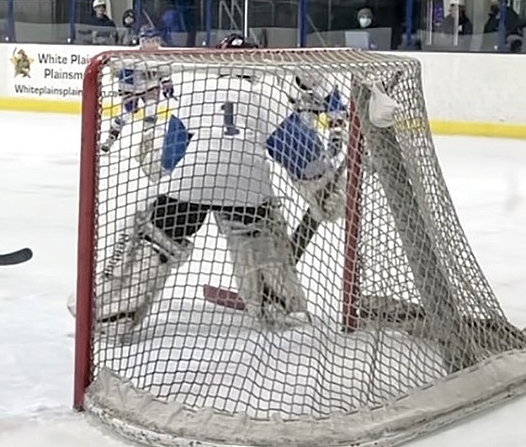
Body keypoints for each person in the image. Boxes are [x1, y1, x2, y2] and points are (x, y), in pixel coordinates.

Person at [74, 32, 347, 335]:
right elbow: (302, 154)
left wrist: (158, 165)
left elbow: (170, 159)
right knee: (262, 237)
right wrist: (327, 190)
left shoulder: (196, 90)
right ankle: (278, 309)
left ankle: (112, 312)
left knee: (153, 237)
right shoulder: (267, 96)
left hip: (192, 179)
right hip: (247, 182)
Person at [101, 27, 172, 152]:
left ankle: (147, 140)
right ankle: (111, 137)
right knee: (126, 114)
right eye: (149, 41)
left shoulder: (161, 57)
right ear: (142, 41)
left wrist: (167, 85)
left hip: (151, 87)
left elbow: (165, 73)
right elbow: (120, 75)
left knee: (151, 109)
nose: (152, 45)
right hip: (131, 89)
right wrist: (126, 96)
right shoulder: (131, 56)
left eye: (155, 41)